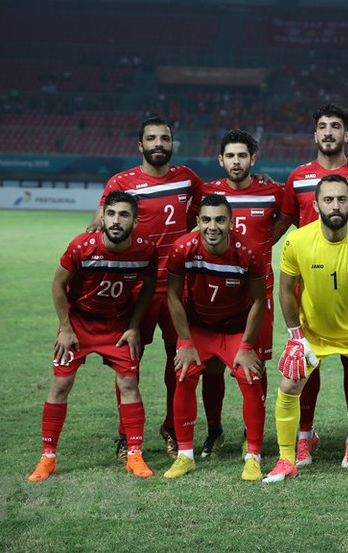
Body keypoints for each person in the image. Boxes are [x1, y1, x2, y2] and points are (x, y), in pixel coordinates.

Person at [271, 104, 348, 469]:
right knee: (305, 369)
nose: (328, 132)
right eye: (322, 126)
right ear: (315, 134)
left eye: (335, 126)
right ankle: (304, 440)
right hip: (311, 282)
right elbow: (284, 225)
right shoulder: (298, 177)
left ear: (346, 135)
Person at [89, 116, 204, 461]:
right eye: (151, 138)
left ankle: (172, 428)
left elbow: (221, 200)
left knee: (178, 362)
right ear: (140, 145)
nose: (158, 143)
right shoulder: (121, 182)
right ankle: (127, 434)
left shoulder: (187, 178)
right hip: (133, 287)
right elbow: (98, 226)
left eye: (164, 138)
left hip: (176, 286)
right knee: (128, 362)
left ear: (172, 144)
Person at [29, 191, 158, 481]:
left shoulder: (145, 250)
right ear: (102, 216)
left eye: (124, 215)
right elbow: (58, 285)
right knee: (60, 386)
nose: (116, 220)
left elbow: (148, 287)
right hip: (79, 326)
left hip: (117, 325)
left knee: (129, 383)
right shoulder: (81, 246)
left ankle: (134, 455)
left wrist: (135, 326)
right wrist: (65, 328)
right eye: (110, 214)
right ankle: (48, 458)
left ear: (135, 221)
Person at [162, 194, 268, 481]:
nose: (213, 226)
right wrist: (184, 341)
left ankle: (253, 457)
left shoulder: (249, 252)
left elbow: (260, 300)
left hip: (235, 329)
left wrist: (246, 346)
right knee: (183, 373)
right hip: (199, 328)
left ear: (231, 222)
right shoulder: (183, 248)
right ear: (197, 221)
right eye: (206, 220)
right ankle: (185, 456)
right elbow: (172, 294)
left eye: (220, 220)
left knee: (251, 377)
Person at [192, 129, 284, 459]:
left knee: (254, 367)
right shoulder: (207, 192)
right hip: (218, 294)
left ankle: (251, 433)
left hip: (258, 295)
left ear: (253, 159)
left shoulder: (273, 191)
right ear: (220, 160)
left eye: (242, 155)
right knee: (213, 367)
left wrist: (265, 244)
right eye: (230, 156)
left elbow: (288, 215)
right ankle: (214, 430)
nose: (236, 161)